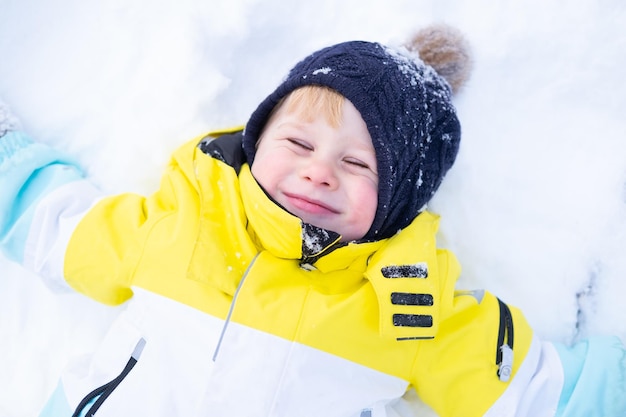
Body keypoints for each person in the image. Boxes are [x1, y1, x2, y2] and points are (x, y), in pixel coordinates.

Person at [0, 24, 624, 417]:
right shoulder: (178, 229)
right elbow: (56, 221)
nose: (320, 172)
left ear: (399, 205)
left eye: (357, 163)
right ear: (257, 138)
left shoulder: (409, 313)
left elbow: (538, 392)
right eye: (299, 145)